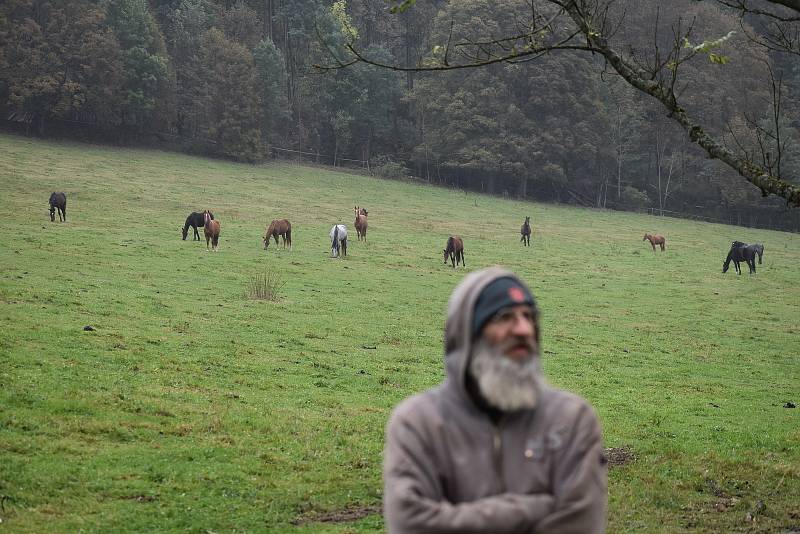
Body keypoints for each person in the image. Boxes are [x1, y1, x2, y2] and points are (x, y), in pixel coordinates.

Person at [383, 267, 607, 533]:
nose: (523, 329)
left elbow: (579, 525)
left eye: (529, 317)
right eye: (505, 317)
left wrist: (454, 517)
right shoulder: (419, 424)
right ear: (469, 334)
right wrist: (533, 509)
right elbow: (412, 524)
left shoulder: (571, 421)